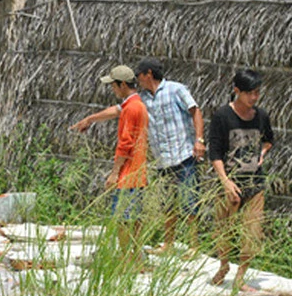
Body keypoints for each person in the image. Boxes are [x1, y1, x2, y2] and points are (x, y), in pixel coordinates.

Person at [71, 57, 205, 255]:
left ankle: (194, 246)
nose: (138, 79)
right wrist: (91, 119)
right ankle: (169, 243)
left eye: (139, 75)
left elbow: (195, 111)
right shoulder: (141, 99)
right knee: (167, 203)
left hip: (183, 153)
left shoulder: (176, 90)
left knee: (189, 201)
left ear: (148, 74)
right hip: (163, 159)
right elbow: (118, 110)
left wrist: (199, 140)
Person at [208, 70, 274, 291]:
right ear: (237, 91)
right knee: (223, 229)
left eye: (256, 93)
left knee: (252, 232)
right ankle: (224, 265)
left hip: (254, 184)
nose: (254, 98)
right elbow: (215, 152)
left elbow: (268, 140)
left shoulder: (262, 116)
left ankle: (240, 277)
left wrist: (262, 154)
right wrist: (225, 181)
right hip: (229, 182)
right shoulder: (222, 117)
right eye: (249, 93)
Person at [100, 65, 149, 254]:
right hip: (138, 172)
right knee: (135, 217)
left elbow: (125, 144)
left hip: (128, 173)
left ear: (122, 85)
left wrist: (114, 173)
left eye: (113, 86)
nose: (113, 90)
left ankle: (127, 257)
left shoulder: (131, 109)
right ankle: (135, 256)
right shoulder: (139, 106)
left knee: (122, 218)